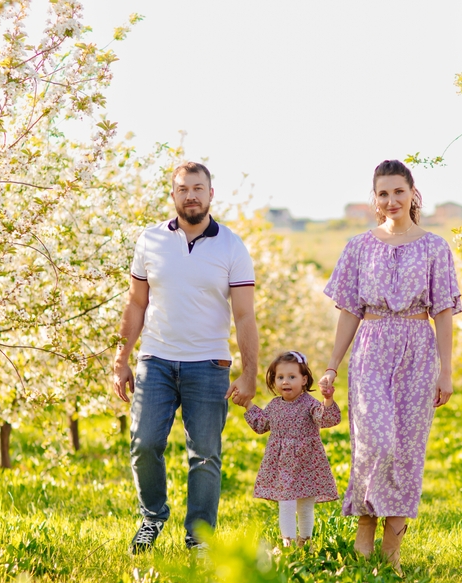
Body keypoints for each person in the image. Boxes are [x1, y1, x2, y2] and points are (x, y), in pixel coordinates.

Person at [318, 159, 461, 575]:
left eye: (399, 191)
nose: (391, 200)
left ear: (412, 193)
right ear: (374, 199)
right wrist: (331, 365)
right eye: (383, 193)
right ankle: (364, 535)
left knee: (407, 451)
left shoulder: (435, 247)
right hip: (372, 349)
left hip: (418, 350)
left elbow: (445, 313)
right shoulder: (359, 247)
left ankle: (390, 554)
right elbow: (349, 311)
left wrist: (446, 371)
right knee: (374, 443)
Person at [112, 161, 259, 555]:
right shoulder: (150, 240)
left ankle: (199, 538)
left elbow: (245, 314)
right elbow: (136, 303)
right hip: (155, 361)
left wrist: (249, 374)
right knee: (144, 443)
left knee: (205, 455)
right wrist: (122, 356)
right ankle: (152, 517)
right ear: (173, 195)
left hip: (209, 365)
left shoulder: (231, 245)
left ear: (211, 194)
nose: (190, 195)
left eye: (198, 188)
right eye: (183, 189)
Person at [240, 351, 340, 548]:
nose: (285, 382)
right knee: (285, 501)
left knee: (305, 504)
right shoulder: (275, 405)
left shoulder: (309, 404)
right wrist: (247, 404)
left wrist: (327, 399)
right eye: (280, 377)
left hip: (307, 462)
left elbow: (327, 419)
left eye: (292, 377)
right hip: (282, 464)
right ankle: (288, 542)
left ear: (304, 379)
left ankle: (305, 540)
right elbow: (261, 425)